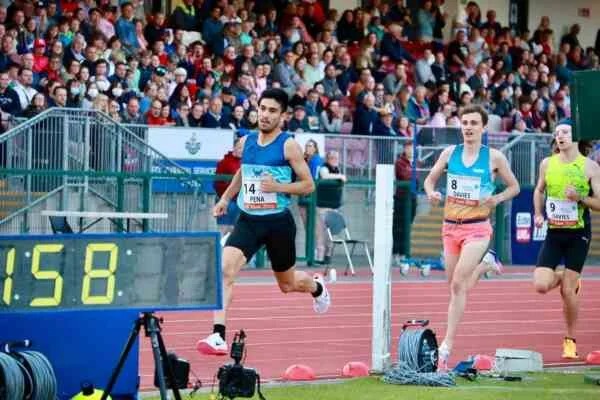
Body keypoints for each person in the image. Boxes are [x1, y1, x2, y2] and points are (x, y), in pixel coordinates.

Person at [197, 88, 331, 356]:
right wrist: (225, 199)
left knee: (288, 284)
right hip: (249, 221)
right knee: (225, 270)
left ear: (283, 116)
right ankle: (218, 336)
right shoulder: (247, 142)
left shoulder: (288, 145)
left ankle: (317, 287)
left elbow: (308, 185)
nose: (265, 115)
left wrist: (278, 187)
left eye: (272, 111)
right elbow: (242, 174)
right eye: (263, 108)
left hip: (278, 224)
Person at [423, 104, 520, 370]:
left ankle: (446, 346)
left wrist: (496, 198)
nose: (468, 127)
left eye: (473, 123)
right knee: (457, 286)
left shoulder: (494, 158)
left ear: (483, 127)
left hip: (477, 228)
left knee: (457, 284)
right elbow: (429, 180)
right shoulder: (449, 153)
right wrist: (431, 192)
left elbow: (514, 187)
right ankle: (486, 265)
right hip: (450, 227)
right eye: (464, 122)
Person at [532, 119, 600, 359]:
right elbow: (539, 190)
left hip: (578, 234)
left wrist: (580, 197)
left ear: (576, 137)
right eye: (557, 132)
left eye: (565, 132)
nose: (559, 136)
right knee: (540, 285)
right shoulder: (546, 164)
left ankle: (570, 339)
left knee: (568, 291)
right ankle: (569, 278)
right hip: (554, 232)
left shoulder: (590, 167)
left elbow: (599, 203)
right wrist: (539, 214)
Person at [214, 138, 243, 239]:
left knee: (239, 230)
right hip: (227, 202)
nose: (241, 150)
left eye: (243, 148)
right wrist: (225, 197)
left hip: (241, 202)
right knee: (224, 229)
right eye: (239, 148)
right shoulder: (224, 162)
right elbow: (217, 183)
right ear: (234, 148)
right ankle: (221, 252)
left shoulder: (245, 163)